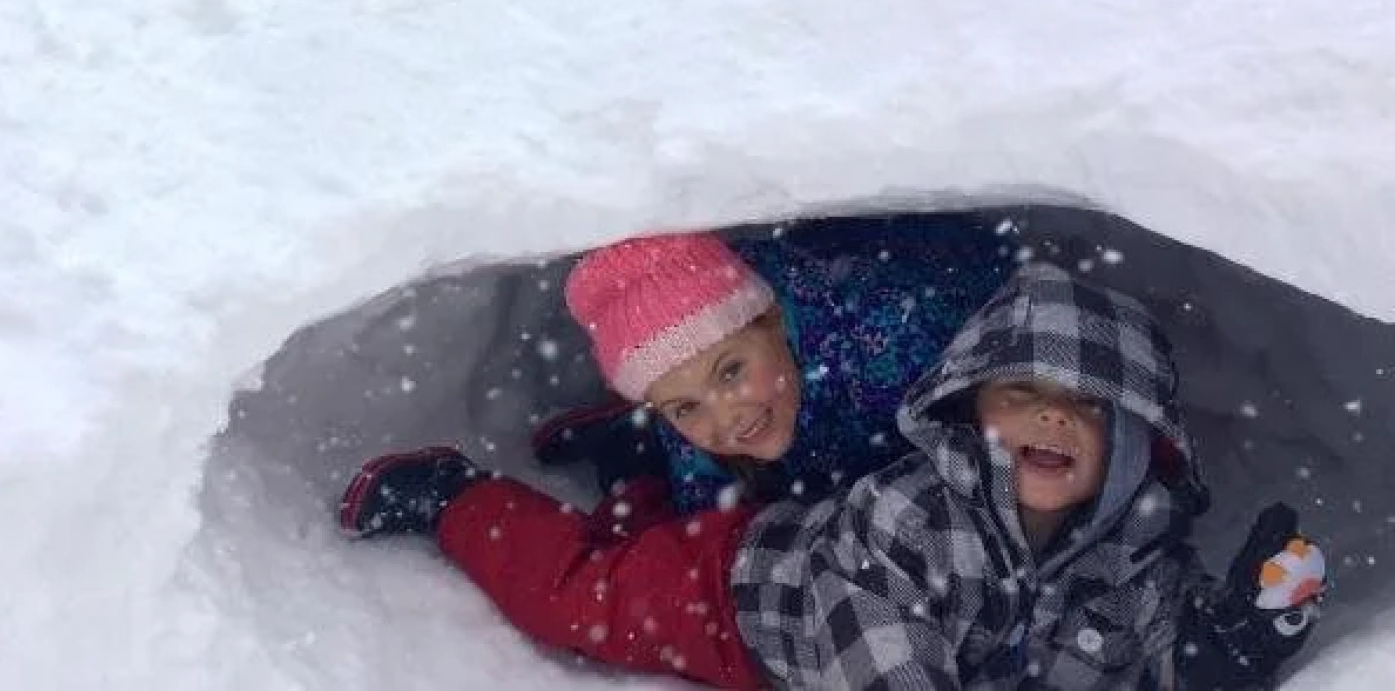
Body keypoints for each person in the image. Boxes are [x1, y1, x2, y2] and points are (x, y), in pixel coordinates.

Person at [339, 259, 1326, 689]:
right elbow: (883, 662)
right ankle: (460, 497)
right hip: (740, 601)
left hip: (759, 555)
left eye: (1083, 404)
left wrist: (1227, 647)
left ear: (1133, 444)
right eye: (1019, 391)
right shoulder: (911, 522)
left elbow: (1147, 649)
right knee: (580, 591)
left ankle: (636, 460)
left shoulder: (1130, 557)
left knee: (638, 527)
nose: (1048, 417)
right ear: (971, 410)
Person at [534, 220, 1015, 516]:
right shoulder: (699, 413)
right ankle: (629, 434)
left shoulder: (898, 337)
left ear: (774, 320)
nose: (725, 417)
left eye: (730, 372)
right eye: (682, 407)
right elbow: (709, 515)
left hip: (943, 257)